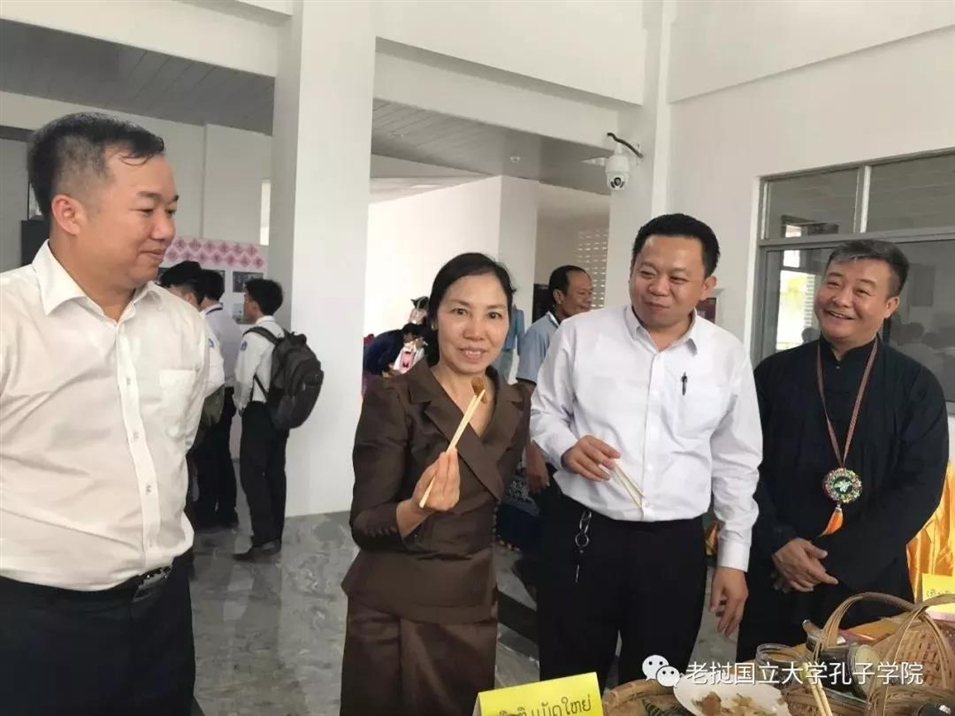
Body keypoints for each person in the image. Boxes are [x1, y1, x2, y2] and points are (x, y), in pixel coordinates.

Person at [0, 112, 217, 715]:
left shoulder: (182, 325)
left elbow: (177, 442)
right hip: (38, 625)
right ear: (69, 212)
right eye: (146, 209)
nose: (166, 229)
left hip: (164, 613)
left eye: (171, 209)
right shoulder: (9, 321)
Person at [531, 213, 762, 689]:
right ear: (631, 270)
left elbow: (737, 461)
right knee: (568, 681)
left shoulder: (727, 355)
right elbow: (544, 411)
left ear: (706, 285)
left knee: (656, 687)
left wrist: (733, 559)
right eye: (647, 272)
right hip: (583, 534)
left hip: (673, 548)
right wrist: (566, 447)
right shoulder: (580, 334)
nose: (658, 288)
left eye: (678, 278)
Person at [737, 240, 949, 661]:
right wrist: (778, 542)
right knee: (762, 686)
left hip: (865, 582)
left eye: (862, 291)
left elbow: (920, 487)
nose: (841, 299)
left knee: (859, 687)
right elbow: (742, 466)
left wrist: (829, 562)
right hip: (776, 572)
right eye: (833, 283)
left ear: (889, 306)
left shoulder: (915, 386)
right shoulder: (774, 373)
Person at [340, 253, 530, 716]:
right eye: (460, 311)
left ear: (508, 324)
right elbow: (365, 524)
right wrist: (418, 508)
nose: (476, 332)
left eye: (493, 315)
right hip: (396, 608)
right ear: (433, 317)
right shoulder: (395, 398)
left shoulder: (514, 403)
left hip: (472, 602)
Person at [502, 266, 593, 595]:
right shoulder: (541, 333)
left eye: (590, 293)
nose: (588, 300)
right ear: (558, 296)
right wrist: (533, 454)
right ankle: (534, 573)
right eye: (581, 293)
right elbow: (528, 395)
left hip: (570, 444)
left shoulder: (582, 332)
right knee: (555, 521)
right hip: (547, 445)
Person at [233, 278, 288, 561]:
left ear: (255, 304)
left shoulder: (253, 337)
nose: (244, 304)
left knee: (252, 474)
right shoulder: (283, 334)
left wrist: (240, 406)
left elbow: (243, 379)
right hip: (281, 412)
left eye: (246, 299)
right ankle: (275, 534)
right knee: (275, 471)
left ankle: (264, 537)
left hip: (259, 411)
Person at [195, 268, 243, 529]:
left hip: (213, 396)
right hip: (228, 394)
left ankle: (207, 509)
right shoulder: (228, 320)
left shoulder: (207, 323)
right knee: (221, 455)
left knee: (208, 457)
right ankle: (226, 508)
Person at [492, 305, 525, 381]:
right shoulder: (500, 312)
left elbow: (520, 334)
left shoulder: (517, 313)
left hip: (506, 349)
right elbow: (521, 334)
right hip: (500, 349)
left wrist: (522, 354)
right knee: (501, 377)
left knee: (500, 376)